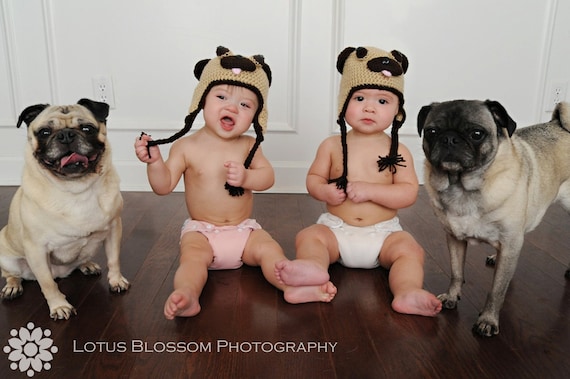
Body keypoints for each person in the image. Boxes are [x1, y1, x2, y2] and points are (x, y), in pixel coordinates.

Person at [134, 46, 334, 319]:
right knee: (193, 261)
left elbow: (268, 178)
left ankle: (290, 284)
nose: (232, 107)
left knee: (269, 250)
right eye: (221, 96)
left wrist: (248, 176)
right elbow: (163, 186)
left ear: (256, 116)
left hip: (243, 231)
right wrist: (154, 163)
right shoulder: (186, 146)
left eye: (245, 104)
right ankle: (188, 294)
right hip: (202, 233)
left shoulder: (249, 146)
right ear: (202, 100)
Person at [275, 46, 442, 317]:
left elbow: (409, 192)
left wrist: (372, 191)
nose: (369, 107)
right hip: (336, 230)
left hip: (383, 233)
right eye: (360, 97)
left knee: (410, 251)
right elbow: (314, 179)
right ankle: (313, 268)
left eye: (382, 101)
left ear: (398, 111)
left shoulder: (397, 151)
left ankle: (407, 291)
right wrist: (325, 191)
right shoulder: (331, 145)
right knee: (309, 236)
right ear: (344, 104)